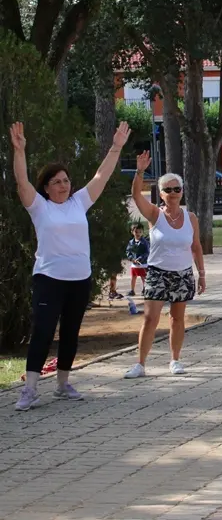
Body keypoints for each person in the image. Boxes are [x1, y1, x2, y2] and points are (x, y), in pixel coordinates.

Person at [12, 121, 131, 411]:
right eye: (57, 182)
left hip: (80, 280)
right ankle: (29, 390)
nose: (63, 185)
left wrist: (116, 146)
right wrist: (19, 151)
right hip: (49, 279)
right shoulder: (39, 206)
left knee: (70, 332)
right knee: (42, 332)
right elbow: (22, 183)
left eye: (66, 180)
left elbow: (102, 175)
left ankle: (63, 384)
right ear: (46, 188)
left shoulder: (79, 202)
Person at [125, 151, 206, 378]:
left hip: (182, 274)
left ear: (182, 192)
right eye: (168, 190)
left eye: (176, 189)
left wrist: (202, 274)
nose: (173, 193)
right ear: (161, 194)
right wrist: (140, 171)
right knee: (150, 318)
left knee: (177, 318)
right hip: (158, 273)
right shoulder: (155, 214)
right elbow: (136, 196)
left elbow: (196, 246)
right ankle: (140, 364)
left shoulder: (191, 218)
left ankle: (175, 360)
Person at [125, 223, 149, 296]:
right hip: (134, 264)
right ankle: (132, 290)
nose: (138, 234)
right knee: (133, 277)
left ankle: (145, 289)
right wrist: (132, 259)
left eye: (140, 232)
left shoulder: (145, 242)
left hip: (143, 264)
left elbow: (147, 252)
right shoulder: (131, 242)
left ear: (142, 232)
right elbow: (128, 251)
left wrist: (140, 258)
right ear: (132, 232)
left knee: (143, 277)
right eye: (136, 232)